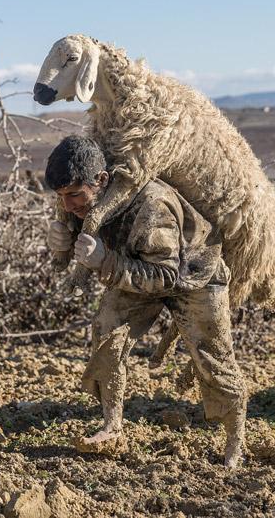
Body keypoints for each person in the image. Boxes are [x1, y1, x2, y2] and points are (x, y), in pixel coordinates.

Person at [43, 135, 248, 467]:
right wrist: (59, 244)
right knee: (107, 329)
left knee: (213, 358)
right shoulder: (79, 199)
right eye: (61, 197)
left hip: (194, 275)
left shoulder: (153, 206)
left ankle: (234, 443)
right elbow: (74, 235)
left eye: (74, 196)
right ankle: (112, 425)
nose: (68, 206)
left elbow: (165, 278)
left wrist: (104, 261)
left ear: (102, 181)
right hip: (133, 264)